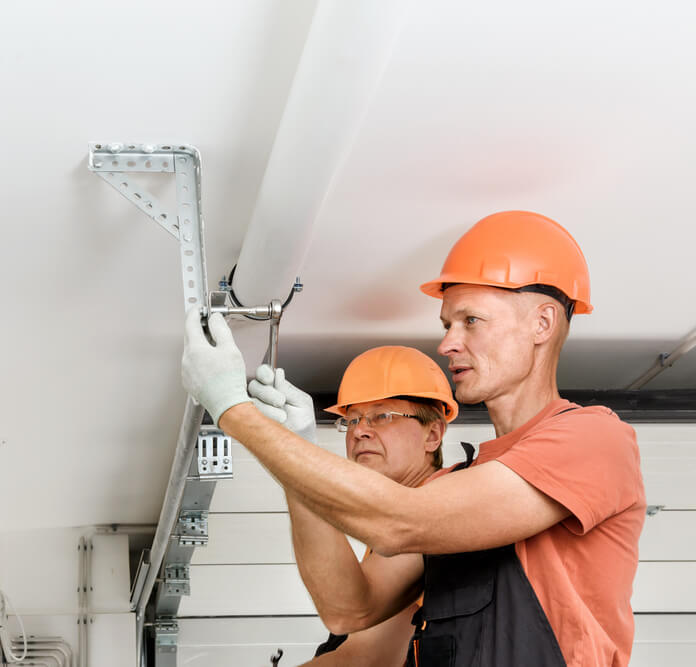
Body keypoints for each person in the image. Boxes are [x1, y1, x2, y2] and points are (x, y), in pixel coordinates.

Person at [181, 211, 645, 666]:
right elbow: (348, 608)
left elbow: (401, 521)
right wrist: (294, 456)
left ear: (542, 324)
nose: (447, 344)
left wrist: (233, 411)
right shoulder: (456, 485)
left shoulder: (593, 439)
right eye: (447, 325)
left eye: (471, 321)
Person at [248, 347, 458, 666]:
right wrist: (298, 457)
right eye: (352, 419)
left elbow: (365, 658)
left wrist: (295, 458)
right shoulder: (390, 533)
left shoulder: (439, 509)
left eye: (382, 415)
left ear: (433, 435)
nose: (359, 430)